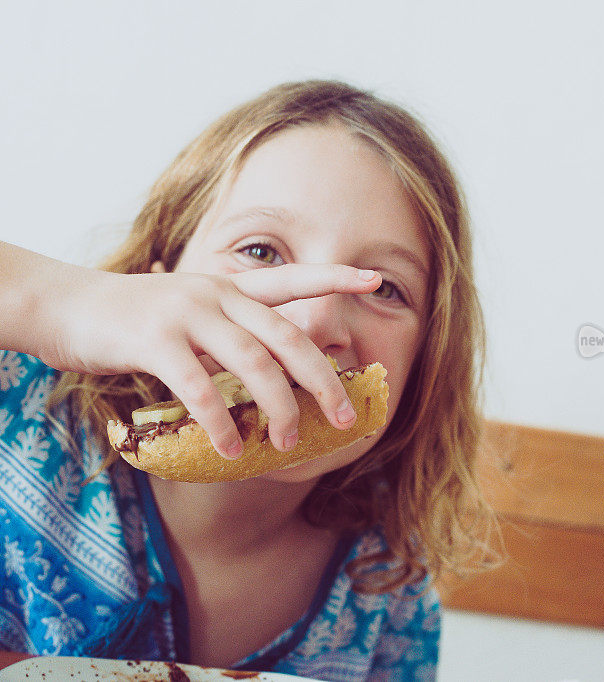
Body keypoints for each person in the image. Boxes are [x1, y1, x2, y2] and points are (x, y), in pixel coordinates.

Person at [0, 80, 498, 679]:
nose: (313, 320)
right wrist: (63, 303)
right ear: (158, 277)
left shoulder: (385, 587)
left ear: (426, 361)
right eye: (261, 252)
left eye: (383, 288)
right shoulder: (21, 407)